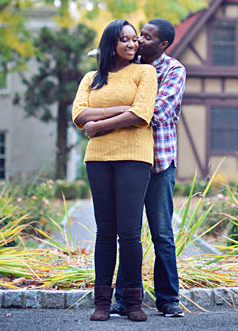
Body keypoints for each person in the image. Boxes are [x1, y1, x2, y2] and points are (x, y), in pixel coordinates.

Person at [72, 19, 158, 322]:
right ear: (111, 43)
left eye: (135, 39)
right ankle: (102, 303)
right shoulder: (91, 78)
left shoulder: (145, 72)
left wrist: (97, 125)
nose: (132, 44)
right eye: (125, 39)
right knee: (105, 232)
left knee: (130, 232)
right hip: (98, 159)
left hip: (134, 157)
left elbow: (141, 113)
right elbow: (79, 113)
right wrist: (115, 112)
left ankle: (134, 302)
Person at [111, 19, 187, 318]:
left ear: (163, 44)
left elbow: (155, 113)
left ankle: (168, 300)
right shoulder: (128, 65)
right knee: (128, 234)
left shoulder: (174, 71)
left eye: (147, 36)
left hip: (158, 162)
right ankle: (123, 299)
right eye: (139, 34)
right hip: (128, 158)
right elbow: (109, 94)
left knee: (162, 235)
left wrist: (115, 111)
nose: (139, 40)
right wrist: (124, 109)